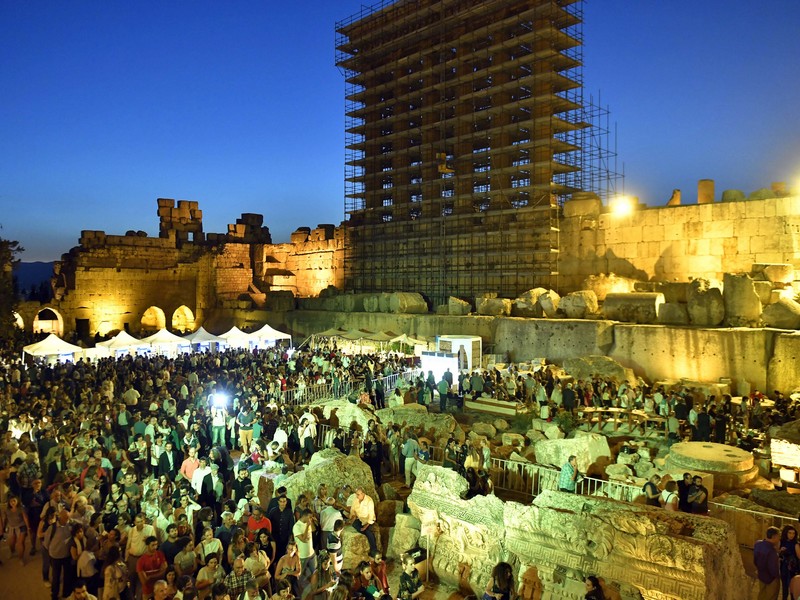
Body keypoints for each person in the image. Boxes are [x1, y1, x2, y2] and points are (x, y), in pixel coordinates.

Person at [137, 536, 168, 600]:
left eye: (156, 544)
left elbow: (165, 571)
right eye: (153, 545)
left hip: (160, 589)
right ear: (147, 546)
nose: (155, 547)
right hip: (148, 591)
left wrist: (150, 577)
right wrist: (159, 573)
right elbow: (144, 581)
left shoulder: (160, 554)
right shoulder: (141, 561)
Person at [754, 527, 781, 600]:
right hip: (771, 579)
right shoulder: (772, 551)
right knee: (771, 597)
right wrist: (777, 577)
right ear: (774, 537)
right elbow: (773, 568)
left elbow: (755, 560)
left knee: (762, 595)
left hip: (761, 575)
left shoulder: (758, 544)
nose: (779, 539)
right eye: (779, 536)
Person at [349, 488, 377, 555]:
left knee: (368, 532)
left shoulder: (369, 501)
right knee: (354, 524)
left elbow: (371, 515)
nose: (357, 496)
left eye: (358, 494)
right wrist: (352, 518)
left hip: (368, 521)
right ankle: (362, 531)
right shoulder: (355, 500)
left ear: (363, 494)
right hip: (360, 519)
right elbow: (352, 511)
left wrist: (366, 526)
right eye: (356, 494)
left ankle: (374, 551)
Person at [781, 526, 800, 600]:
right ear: (786, 533)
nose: (792, 535)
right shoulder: (782, 542)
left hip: (793, 568)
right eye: (789, 533)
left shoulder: (795, 544)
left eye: (793, 533)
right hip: (783, 567)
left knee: (793, 588)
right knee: (784, 588)